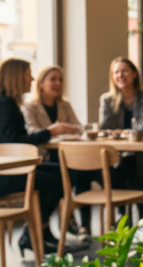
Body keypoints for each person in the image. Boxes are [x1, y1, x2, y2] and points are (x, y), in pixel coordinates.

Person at [0, 58, 78, 255]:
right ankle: (34, 232)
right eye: (28, 74)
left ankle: (37, 232)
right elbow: (13, 141)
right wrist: (49, 132)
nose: (32, 79)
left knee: (65, 173)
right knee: (62, 178)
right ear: (15, 77)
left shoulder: (3, 104)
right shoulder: (3, 106)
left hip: (5, 170)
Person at [22, 65, 92, 234]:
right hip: (45, 157)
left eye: (60, 80)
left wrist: (69, 130)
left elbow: (80, 128)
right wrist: (54, 131)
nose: (58, 83)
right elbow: (32, 132)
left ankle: (85, 226)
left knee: (84, 171)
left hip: (66, 154)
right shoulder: (30, 107)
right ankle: (67, 216)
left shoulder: (64, 105)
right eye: (53, 79)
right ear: (40, 83)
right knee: (70, 173)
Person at [99, 57, 143, 205]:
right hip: (118, 155)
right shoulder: (107, 100)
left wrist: (122, 133)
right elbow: (105, 128)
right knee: (116, 166)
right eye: (116, 72)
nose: (120, 75)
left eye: (124, 71)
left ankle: (141, 213)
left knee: (134, 162)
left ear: (134, 74)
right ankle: (123, 213)